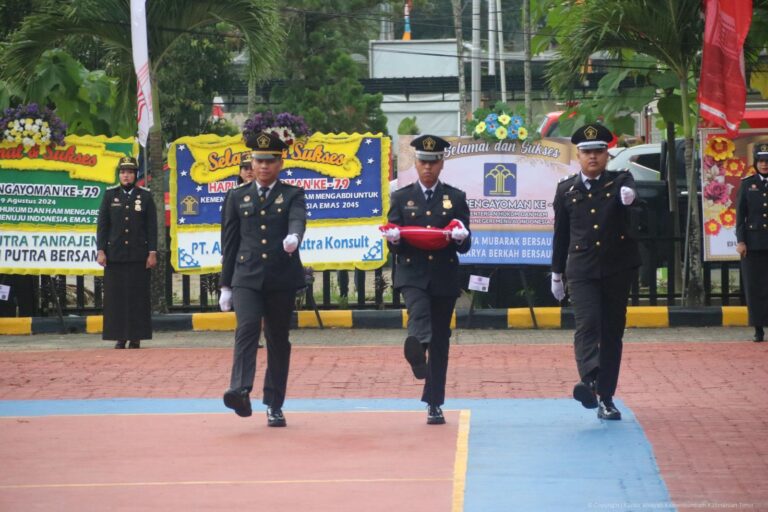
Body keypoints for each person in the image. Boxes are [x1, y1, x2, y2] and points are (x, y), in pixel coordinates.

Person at [550, 124, 641, 421]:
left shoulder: (621, 181)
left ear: (607, 154)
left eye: (598, 151)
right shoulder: (566, 189)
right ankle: (589, 380)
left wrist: (632, 201)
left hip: (616, 267)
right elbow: (560, 235)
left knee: (612, 333)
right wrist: (556, 274)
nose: (593, 157)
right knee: (588, 324)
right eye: (587, 152)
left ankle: (607, 397)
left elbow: (637, 213)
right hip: (582, 269)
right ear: (578, 155)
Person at [219, 131, 307, 427]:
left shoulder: (292, 193)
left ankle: (274, 403)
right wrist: (225, 285)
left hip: (281, 276)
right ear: (251, 163)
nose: (264, 166)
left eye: (270, 161)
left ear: (280, 163)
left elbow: (297, 218)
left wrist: (294, 236)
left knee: (277, 339)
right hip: (246, 275)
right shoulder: (236, 196)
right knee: (246, 328)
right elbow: (229, 243)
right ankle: (240, 390)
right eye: (259, 160)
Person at [384, 135, 471, 425]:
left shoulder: (456, 197)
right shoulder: (401, 197)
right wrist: (394, 239)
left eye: (433, 162)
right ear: (415, 163)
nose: (428, 168)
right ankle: (418, 348)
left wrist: (461, 237)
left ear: (441, 163)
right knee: (418, 312)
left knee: (442, 340)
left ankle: (434, 401)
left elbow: (465, 242)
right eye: (423, 162)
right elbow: (392, 240)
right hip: (412, 272)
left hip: (444, 274)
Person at [96, 156, 158, 349]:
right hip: (115, 255)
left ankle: (136, 336)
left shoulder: (145, 196)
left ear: (135, 175)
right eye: (123, 172)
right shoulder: (110, 195)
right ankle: (119, 336)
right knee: (117, 298)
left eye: (130, 172)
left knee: (137, 297)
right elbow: (103, 226)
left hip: (138, 255)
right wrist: (101, 250)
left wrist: (152, 252)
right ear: (119, 174)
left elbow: (151, 227)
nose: (126, 175)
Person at [735, 143, 768, 342]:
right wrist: (741, 241)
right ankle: (758, 328)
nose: (765, 165)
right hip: (754, 243)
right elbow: (741, 215)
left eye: (767, 162)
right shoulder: (748, 184)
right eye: (761, 162)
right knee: (754, 286)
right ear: (756, 163)